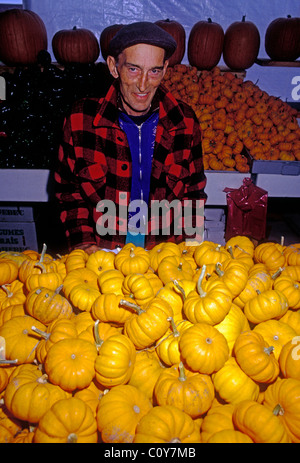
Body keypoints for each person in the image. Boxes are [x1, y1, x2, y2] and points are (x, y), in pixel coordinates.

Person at [54, 21, 207, 255]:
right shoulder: (80, 120)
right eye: (133, 69)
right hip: (103, 256)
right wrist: (84, 246)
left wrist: (192, 250)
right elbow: (68, 191)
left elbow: (193, 192)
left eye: (154, 71)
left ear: (165, 69)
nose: (143, 84)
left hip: (164, 257)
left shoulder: (184, 122)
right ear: (114, 67)